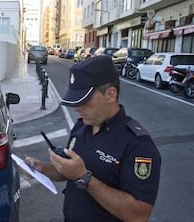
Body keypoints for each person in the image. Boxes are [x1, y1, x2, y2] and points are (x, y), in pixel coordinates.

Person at [26, 55, 161, 221]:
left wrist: (85, 178)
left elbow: (139, 215)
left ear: (111, 95)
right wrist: (41, 169)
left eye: (85, 100)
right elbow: (69, 172)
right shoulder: (82, 126)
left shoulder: (137, 144)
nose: (77, 108)